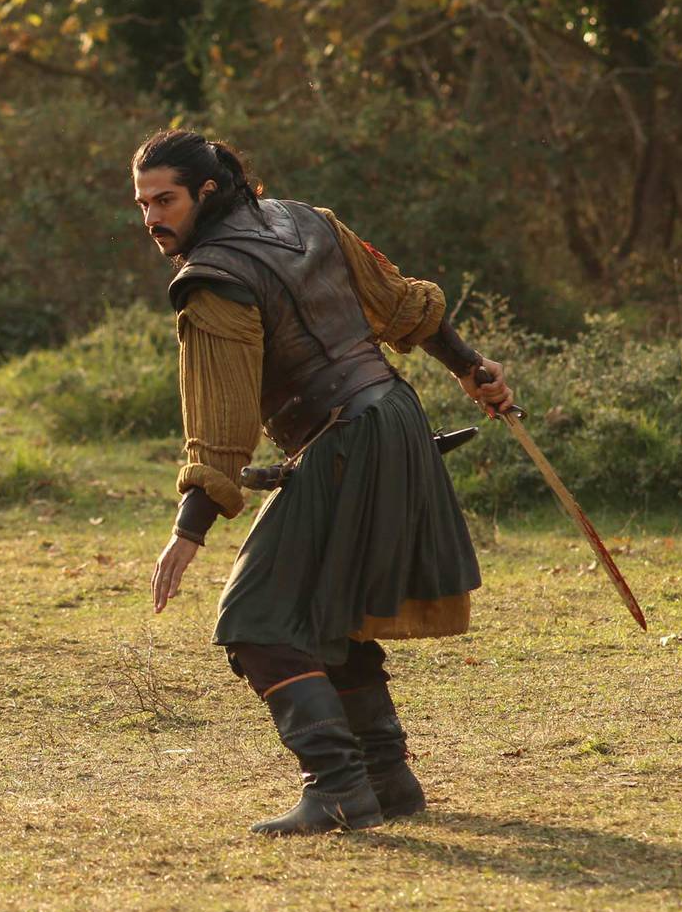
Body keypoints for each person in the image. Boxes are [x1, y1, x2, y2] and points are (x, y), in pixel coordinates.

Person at [133, 128, 514, 836]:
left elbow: (220, 423)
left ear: (207, 193)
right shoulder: (306, 217)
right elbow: (406, 308)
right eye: (143, 203)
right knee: (327, 608)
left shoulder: (214, 278)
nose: (153, 217)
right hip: (395, 416)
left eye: (167, 200)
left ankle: (338, 788)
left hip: (345, 436)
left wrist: (188, 530)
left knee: (257, 623)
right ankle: (388, 778)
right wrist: (467, 367)